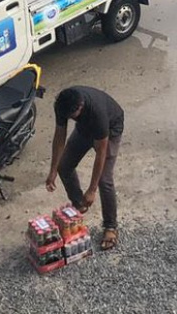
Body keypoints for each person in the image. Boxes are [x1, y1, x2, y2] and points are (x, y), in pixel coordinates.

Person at [46, 86, 124, 251]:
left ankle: (110, 227)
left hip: (111, 128)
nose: (69, 118)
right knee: (64, 166)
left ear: (80, 106)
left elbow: (101, 152)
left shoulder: (97, 114)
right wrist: (53, 170)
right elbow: (59, 136)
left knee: (104, 180)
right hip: (84, 129)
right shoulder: (62, 105)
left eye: (72, 116)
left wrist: (92, 190)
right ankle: (79, 204)